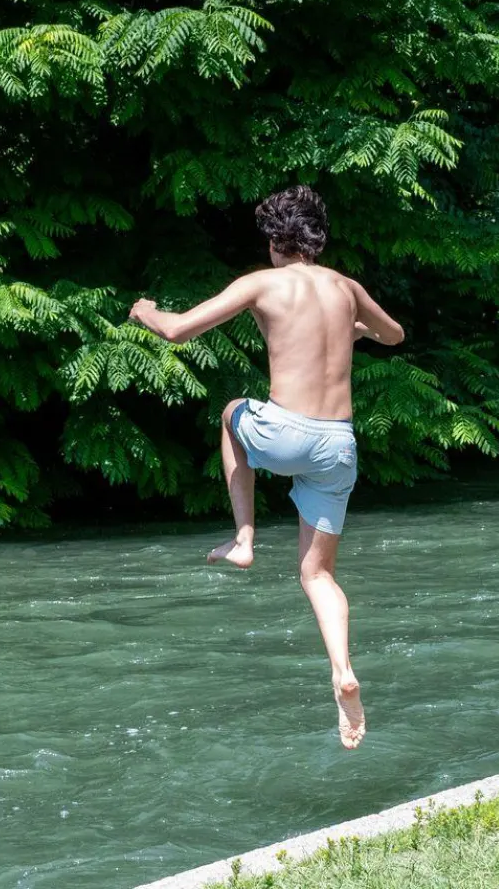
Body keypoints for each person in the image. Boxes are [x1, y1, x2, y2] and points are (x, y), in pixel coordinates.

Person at [129, 185, 404, 748]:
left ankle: (245, 538)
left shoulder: (262, 282)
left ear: (277, 240)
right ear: (317, 238)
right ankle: (343, 673)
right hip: (338, 445)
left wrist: (146, 311)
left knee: (231, 413)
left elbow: (178, 330)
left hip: (285, 433)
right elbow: (395, 335)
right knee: (318, 575)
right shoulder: (346, 287)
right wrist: (354, 329)